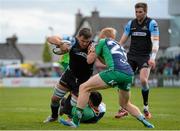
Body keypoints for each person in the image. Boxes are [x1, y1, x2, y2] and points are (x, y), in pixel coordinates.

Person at [59, 27, 154, 128]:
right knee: (125, 104)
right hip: (128, 74)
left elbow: (89, 61)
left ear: (102, 36)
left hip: (115, 72)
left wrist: (92, 50)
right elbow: (108, 62)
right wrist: (99, 54)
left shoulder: (101, 42)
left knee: (84, 87)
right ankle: (145, 122)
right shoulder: (119, 46)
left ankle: (75, 121)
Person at [115, 2, 159, 119]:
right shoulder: (131, 23)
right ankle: (123, 108)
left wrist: (153, 58)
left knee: (144, 81)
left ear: (145, 12)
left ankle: (146, 108)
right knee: (122, 80)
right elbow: (122, 41)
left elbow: (155, 42)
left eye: (140, 12)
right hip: (132, 56)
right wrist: (116, 51)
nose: (138, 14)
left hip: (145, 56)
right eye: (136, 12)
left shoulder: (152, 23)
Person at [43, 27, 95, 123]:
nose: (84, 43)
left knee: (74, 104)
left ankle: (74, 118)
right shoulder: (72, 40)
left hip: (83, 80)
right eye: (82, 40)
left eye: (87, 41)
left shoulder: (94, 45)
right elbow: (50, 38)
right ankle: (54, 116)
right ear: (77, 37)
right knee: (54, 99)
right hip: (69, 75)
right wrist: (60, 44)